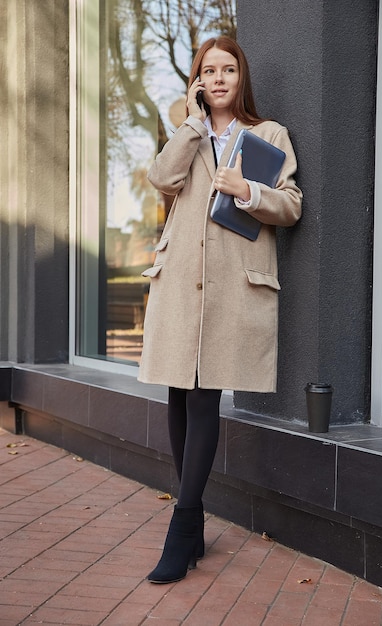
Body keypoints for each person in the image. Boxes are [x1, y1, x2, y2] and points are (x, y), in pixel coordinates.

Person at [138, 36, 302, 583]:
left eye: (228, 69)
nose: (219, 79)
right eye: (209, 71)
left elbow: (292, 205)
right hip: (181, 280)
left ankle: (184, 524)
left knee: (204, 396)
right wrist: (191, 123)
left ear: (241, 76)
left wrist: (249, 190)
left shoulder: (268, 134)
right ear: (198, 81)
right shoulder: (189, 133)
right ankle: (194, 518)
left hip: (233, 284)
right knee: (178, 395)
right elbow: (162, 179)